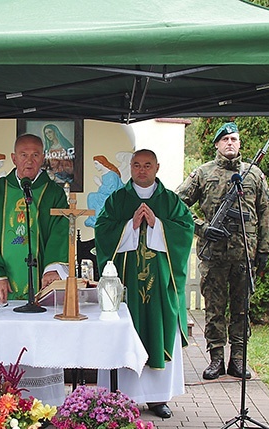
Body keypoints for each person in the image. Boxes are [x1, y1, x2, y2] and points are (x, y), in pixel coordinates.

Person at [0, 133, 69, 405]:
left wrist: (52, 268)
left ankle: (42, 405)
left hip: (40, 286)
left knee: (39, 343)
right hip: (4, 287)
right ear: (13, 158)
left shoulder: (54, 193)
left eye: (36, 155)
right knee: (2, 344)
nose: (30, 160)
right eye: (23, 155)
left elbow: (60, 232)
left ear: (43, 159)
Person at [95, 149, 194, 419]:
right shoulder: (118, 200)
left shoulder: (171, 201)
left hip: (160, 286)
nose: (141, 170)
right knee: (125, 332)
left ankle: (157, 398)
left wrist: (157, 225)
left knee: (159, 329)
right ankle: (121, 396)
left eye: (147, 165)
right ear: (131, 167)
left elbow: (185, 231)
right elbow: (102, 231)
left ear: (157, 167)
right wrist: (130, 225)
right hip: (125, 285)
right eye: (137, 165)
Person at [176, 122, 269, 381]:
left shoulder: (253, 175)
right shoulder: (203, 173)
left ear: (239, 144)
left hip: (244, 255)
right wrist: (202, 228)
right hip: (214, 255)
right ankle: (216, 358)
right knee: (214, 309)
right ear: (217, 144)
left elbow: (265, 213)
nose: (230, 143)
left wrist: (264, 249)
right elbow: (176, 204)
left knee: (242, 308)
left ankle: (238, 360)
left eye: (234, 139)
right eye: (225, 139)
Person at [84, 155, 124, 227]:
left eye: (96, 164)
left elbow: (112, 191)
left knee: (92, 196)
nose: (95, 166)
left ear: (102, 163)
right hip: (106, 196)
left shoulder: (112, 175)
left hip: (113, 198)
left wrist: (99, 184)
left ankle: (96, 219)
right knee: (92, 196)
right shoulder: (105, 174)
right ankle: (94, 218)